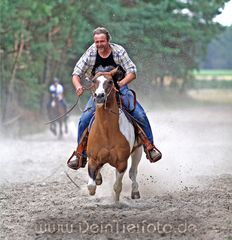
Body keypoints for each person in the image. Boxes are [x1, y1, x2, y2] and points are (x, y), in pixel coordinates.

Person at [68, 27, 162, 170]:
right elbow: (76, 73)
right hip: (99, 90)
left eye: (102, 41)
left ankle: (150, 147)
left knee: (140, 114)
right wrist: (78, 86)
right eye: (96, 41)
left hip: (119, 87)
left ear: (108, 40)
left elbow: (132, 71)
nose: (99, 44)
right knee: (84, 119)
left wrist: (121, 83)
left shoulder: (118, 51)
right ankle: (81, 154)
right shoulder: (90, 53)